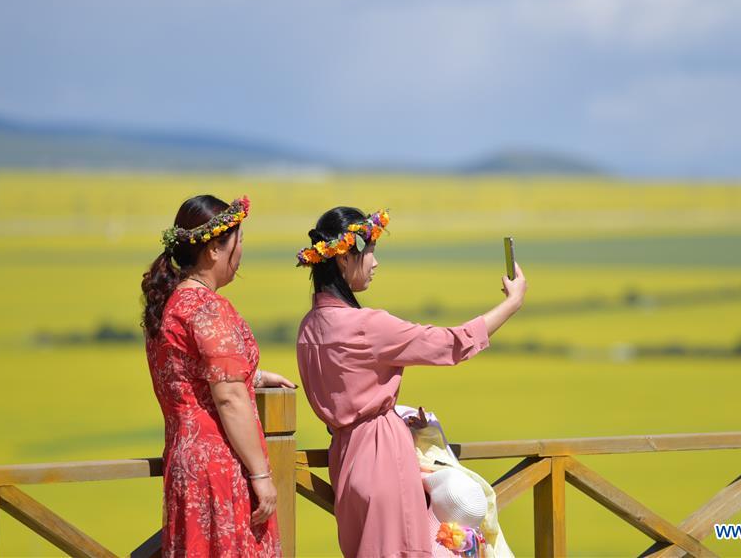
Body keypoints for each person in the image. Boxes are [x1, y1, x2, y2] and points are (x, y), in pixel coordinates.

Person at [295, 207, 527, 558]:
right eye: (369, 252)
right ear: (344, 259)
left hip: (344, 459)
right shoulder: (367, 326)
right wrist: (512, 303)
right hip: (383, 456)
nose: (375, 263)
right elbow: (451, 342)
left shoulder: (310, 328)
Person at [141, 194, 295, 557]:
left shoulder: (173, 303)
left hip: (185, 460)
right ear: (213, 249)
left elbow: (192, 375)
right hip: (219, 465)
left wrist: (253, 377)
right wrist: (260, 475)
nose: (241, 253)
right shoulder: (208, 308)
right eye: (238, 243)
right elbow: (228, 397)